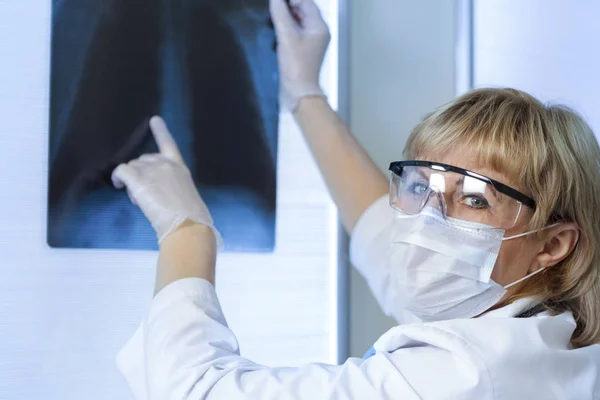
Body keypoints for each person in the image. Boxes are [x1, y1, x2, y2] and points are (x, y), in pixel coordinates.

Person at [112, 0, 600, 398]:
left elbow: (195, 389)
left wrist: (187, 230)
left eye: (475, 199)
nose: (427, 222)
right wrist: (305, 92)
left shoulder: (463, 375)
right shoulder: (543, 329)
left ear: (553, 244)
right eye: (419, 187)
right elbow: (381, 235)